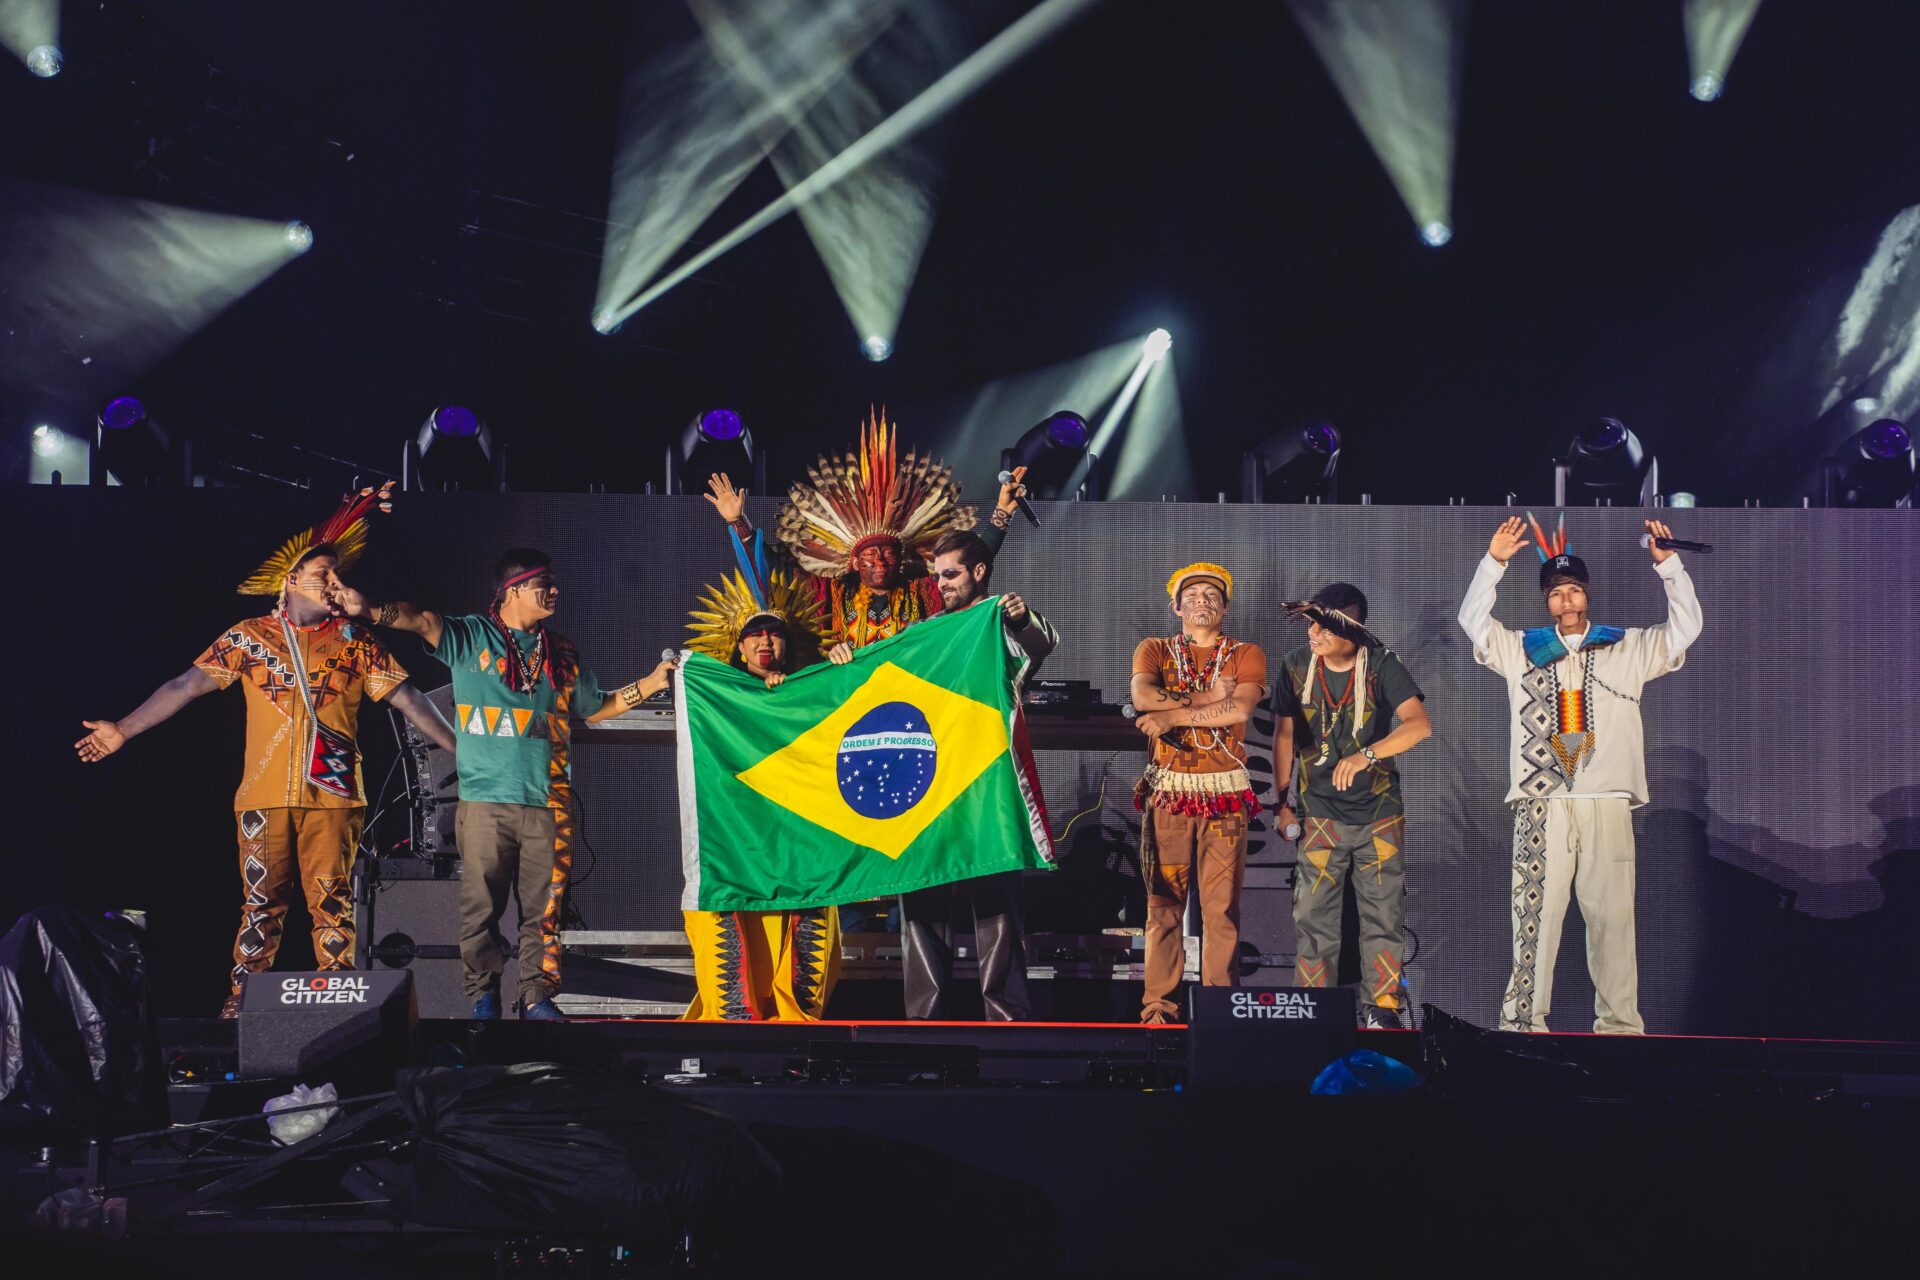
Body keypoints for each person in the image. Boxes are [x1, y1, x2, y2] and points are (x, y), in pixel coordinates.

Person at [75, 485, 457, 1017]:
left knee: (333, 906)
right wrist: (123, 728)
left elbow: (409, 700)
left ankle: (340, 1003)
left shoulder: (356, 639)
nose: (334, 583)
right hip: (262, 797)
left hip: (336, 796)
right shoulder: (249, 638)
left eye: (338, 575)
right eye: (324, 573)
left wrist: (463, 751)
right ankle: (242, 1005)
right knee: (261, 906)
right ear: (290, 581)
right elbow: (185, 686)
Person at [327, 549, 674, 1020]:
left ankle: (537, 997)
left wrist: (652, 683)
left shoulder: (563, 652)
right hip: (486, 802)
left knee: (545, 913)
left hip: (549, 803)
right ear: (513, 591)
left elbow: (595, 707)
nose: (554, 591)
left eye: (553, 583)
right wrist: (368, 610)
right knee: (481, 908)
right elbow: (421, 620)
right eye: (543, 584)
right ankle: (483, 997)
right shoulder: (473, 635)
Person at [1457, 514, 1703, 1034]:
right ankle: (1523, 1023)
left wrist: (1670, 567)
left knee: (1613, 918)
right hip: (1541, 800)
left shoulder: (1626, 646)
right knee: (1535, 918)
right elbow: (1474, 622)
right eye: (1556, 593)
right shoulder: (1522, 647)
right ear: (1546, 602)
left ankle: (1620, 1027)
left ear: (1586, 595)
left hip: (1607, 798)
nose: (1565, 600)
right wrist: (1494, 563)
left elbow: (1685, 629)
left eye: (1573, 590)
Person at [896, 527, 1059, 1020]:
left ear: (979, 572)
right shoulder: (922, 633)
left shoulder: (999, 622)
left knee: (998, 906)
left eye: (951, 574)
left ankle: (1006, 1020)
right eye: (937, 576)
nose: (941, 583)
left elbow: (1043, 641)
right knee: (921, 898)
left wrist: (1022, 616)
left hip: (988, 781)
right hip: (929, 782)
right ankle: (923, 1022)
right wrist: (844, 657)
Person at [679, 542, 843, 1020]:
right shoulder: (718, 699)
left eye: (773, 634)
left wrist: (824, 676)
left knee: (803, 920)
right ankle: (739, 1020)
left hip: (799, 831)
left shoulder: (810, 686)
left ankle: (794, 1018)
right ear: (737, 643)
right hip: (738, 832)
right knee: (733, 915)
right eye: (754, 635)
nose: (764, 642)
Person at [1273, 584, 1432, 1028]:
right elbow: (1284, 735)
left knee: (1383, 916)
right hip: (1319, 813)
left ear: (1353, 629)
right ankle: (1313, 1012)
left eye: (1324, 626)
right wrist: (1280, 802)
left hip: (1379, 814)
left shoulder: (1381, 665)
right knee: (1312, 917)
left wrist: (1367, 754)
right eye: (1311, 624)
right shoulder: (1295, 667)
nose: (1313, 634)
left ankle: (1382, 1010)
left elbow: (1419, 725)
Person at [1128, 563, 1267, 1024]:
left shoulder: (1245, 653)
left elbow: (1241, 707)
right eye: (1191, 595)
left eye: (1211, 595)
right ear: (1175, 607)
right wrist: (1207, 699)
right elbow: (1144, 698)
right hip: (1169, 794)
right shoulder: (1154, 649)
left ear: (1226, 607)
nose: (1201, 601)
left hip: (1224, 795)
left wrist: (1173, 717)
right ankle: (1159, 1007)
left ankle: (1220, 1008)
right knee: (1162, 906)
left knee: (1221, 909)